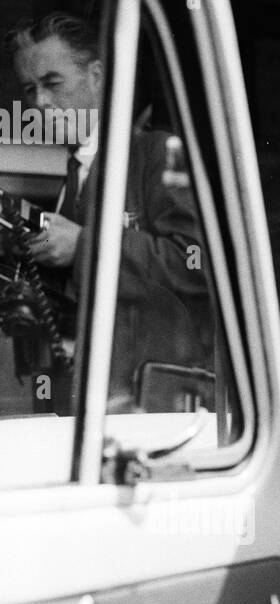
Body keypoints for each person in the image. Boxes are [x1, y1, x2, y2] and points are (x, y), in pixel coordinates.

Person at [4, 12, 212, 409]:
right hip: (82, 404)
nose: (40, 103)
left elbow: (198, 265)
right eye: (30, 90)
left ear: (97, 77)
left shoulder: (158, 154)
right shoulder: (75, 174)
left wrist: (83, 244)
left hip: (150, 408)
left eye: (52, 83)